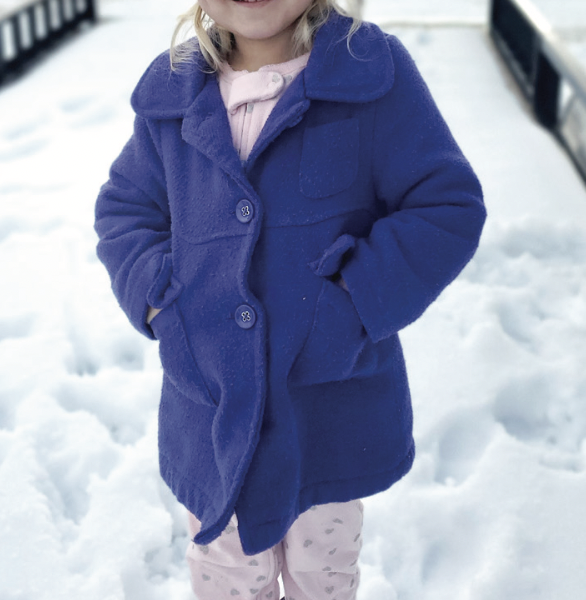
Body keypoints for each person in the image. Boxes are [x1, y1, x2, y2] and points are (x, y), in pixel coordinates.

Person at [94, 1, 486, 598]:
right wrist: (159, 301)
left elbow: (445, 205)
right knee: (225, 575)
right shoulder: (173, 92)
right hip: (212, 412)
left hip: (325, 412)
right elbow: (126, 210)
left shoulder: (367, 72)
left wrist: (357, 300)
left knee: (321, 575)